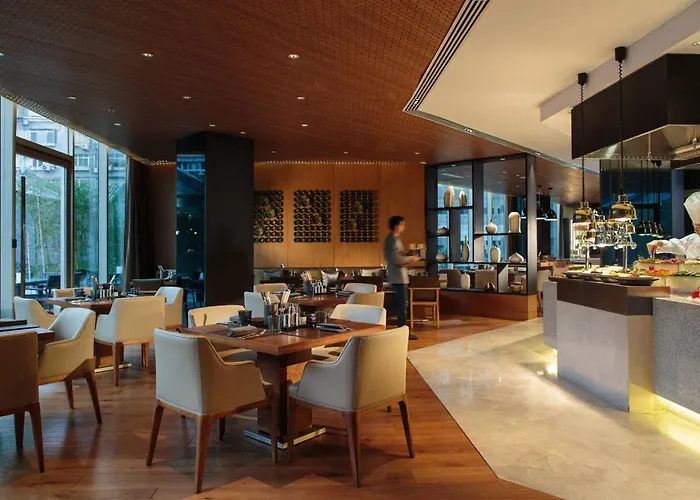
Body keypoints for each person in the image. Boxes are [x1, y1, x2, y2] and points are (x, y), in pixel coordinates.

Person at [384, 215, 419, 340]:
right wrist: (411, 259)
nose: (404, 227)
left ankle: (399, 329)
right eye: (402, 224)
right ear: (396, 225)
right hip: (398, 276)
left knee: (398, 304)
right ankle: (403, 332)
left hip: (397, 276)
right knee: (403, 305)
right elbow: (396, 259)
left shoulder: (393, 238)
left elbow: (397, 256)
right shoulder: (393, 239)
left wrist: (408, 255)